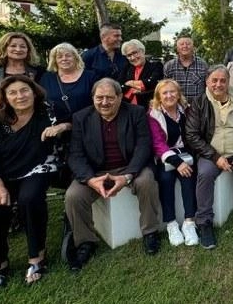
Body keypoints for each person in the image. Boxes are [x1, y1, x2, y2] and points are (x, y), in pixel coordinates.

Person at [0, 75, 63, 293]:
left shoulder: (47, 114)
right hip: (1, 174)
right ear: (4, 97)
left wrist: (62, 127)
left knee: (30, 199)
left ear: (34, 92)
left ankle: (37, 257)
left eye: (24, 91)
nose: (20, 96)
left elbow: (72, 123)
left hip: (37, 168)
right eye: (12, 92)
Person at [65, 78, 162, 270]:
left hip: (130, 167)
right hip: (95, 172)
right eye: (99, 97)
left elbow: (144, 146)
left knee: (147, 182)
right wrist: (90, 180)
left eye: (110, 97)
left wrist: (127, 176)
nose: (104, 102)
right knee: (73, 196)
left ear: (119, 97)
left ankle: (150, 232)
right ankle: (86, 242)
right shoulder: (80, 118)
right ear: (93, 98)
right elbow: (75, 155)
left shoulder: (136, 112)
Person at [185, 66, 233, 250]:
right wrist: (214, 157)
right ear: (207, 82)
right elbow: (191, 134)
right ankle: (204, 222)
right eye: (214, 80)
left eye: (223, 80)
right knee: (204, 176)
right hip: (211, 153)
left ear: (229, 82)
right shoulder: (199, 102)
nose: (218, 84)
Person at [148, 79, 199, 247]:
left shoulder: (186, 110)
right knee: (165, 179)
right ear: (158, 96)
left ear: (178, 94)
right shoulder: (154, 115)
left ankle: (189, 222)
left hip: (186, 153)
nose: (169, 96)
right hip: (166, 156)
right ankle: (171, 224)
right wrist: (177, 162)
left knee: (189, 177)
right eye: (165, 93)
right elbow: (158, 143)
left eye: (173, 92)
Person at [0, 32, 44, 115]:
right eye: (13, 46)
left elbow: (44, 97)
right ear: (4, 49)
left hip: (33, 120)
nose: (18, 49)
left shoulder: (39, 71)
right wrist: (1, 114)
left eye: (23, 46)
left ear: (28, 50)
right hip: (0, 121)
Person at [40, 43, 96, 126]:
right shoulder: (46, 78)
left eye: (68, 55)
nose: (64, 59)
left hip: (86, 125)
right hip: (56, 129)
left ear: (75, 58)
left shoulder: (91, 77)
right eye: (59, 56)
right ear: (54, 60)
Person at [163, 37, 209, 104]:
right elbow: (164, 88)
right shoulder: (169, 66)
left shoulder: (203, 65)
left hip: (197, 107)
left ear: (193, 47)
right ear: (177, 48)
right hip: (175, 106)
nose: (185, 46)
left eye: (188, 44)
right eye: (182, 44)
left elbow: (207, 87)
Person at [118, 39, 163, 108]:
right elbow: (119, 87)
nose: (133, 57)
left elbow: (154, 83)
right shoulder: (126, 68)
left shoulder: (156, 66)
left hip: (149, 108)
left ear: (142, 51)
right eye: (129, 55)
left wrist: (130, 83)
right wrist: (142, 86)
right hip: (127, 108)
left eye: (135, 53)